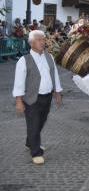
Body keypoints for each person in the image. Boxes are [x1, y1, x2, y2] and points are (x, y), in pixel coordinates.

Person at [12, 30, 63, 165]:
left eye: (43, 39)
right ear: (31, 43)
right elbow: (19, 82)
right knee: (34, 123)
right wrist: (19, 101)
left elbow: (55, 75)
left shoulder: (49, 57)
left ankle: (30, 141)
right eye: (39, 40)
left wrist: (57, 92)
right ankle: (36, 152)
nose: (42, 42)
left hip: (47, 97)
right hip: (31, 98)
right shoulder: (24, 60)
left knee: (41, 121)